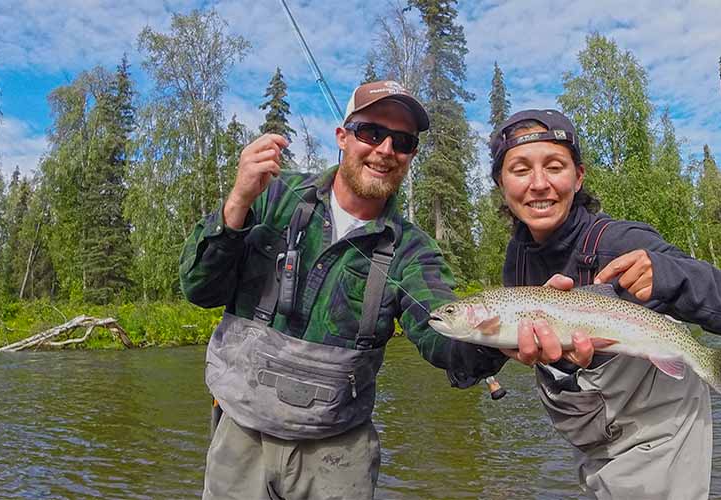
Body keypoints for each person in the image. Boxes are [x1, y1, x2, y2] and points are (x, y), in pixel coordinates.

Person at [179, 80, 511, 499]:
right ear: (343, 137)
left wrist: (499, 340)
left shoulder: (413, 251)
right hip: (240, 434)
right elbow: (199, 289)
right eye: (372, 133)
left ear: (410, 155)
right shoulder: (272, 196)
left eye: (403, 141)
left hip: (339, 450)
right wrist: (236, 203)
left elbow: (438, 333)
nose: (386, 150)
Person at [488, 109, 721, 499]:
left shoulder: (620, 240)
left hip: (661, 438)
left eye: (554, 166)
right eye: (520, 170)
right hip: (590, 443)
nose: (539, 184)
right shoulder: (518, 260)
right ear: (501, 183)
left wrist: (669, 275)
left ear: (578, 177)